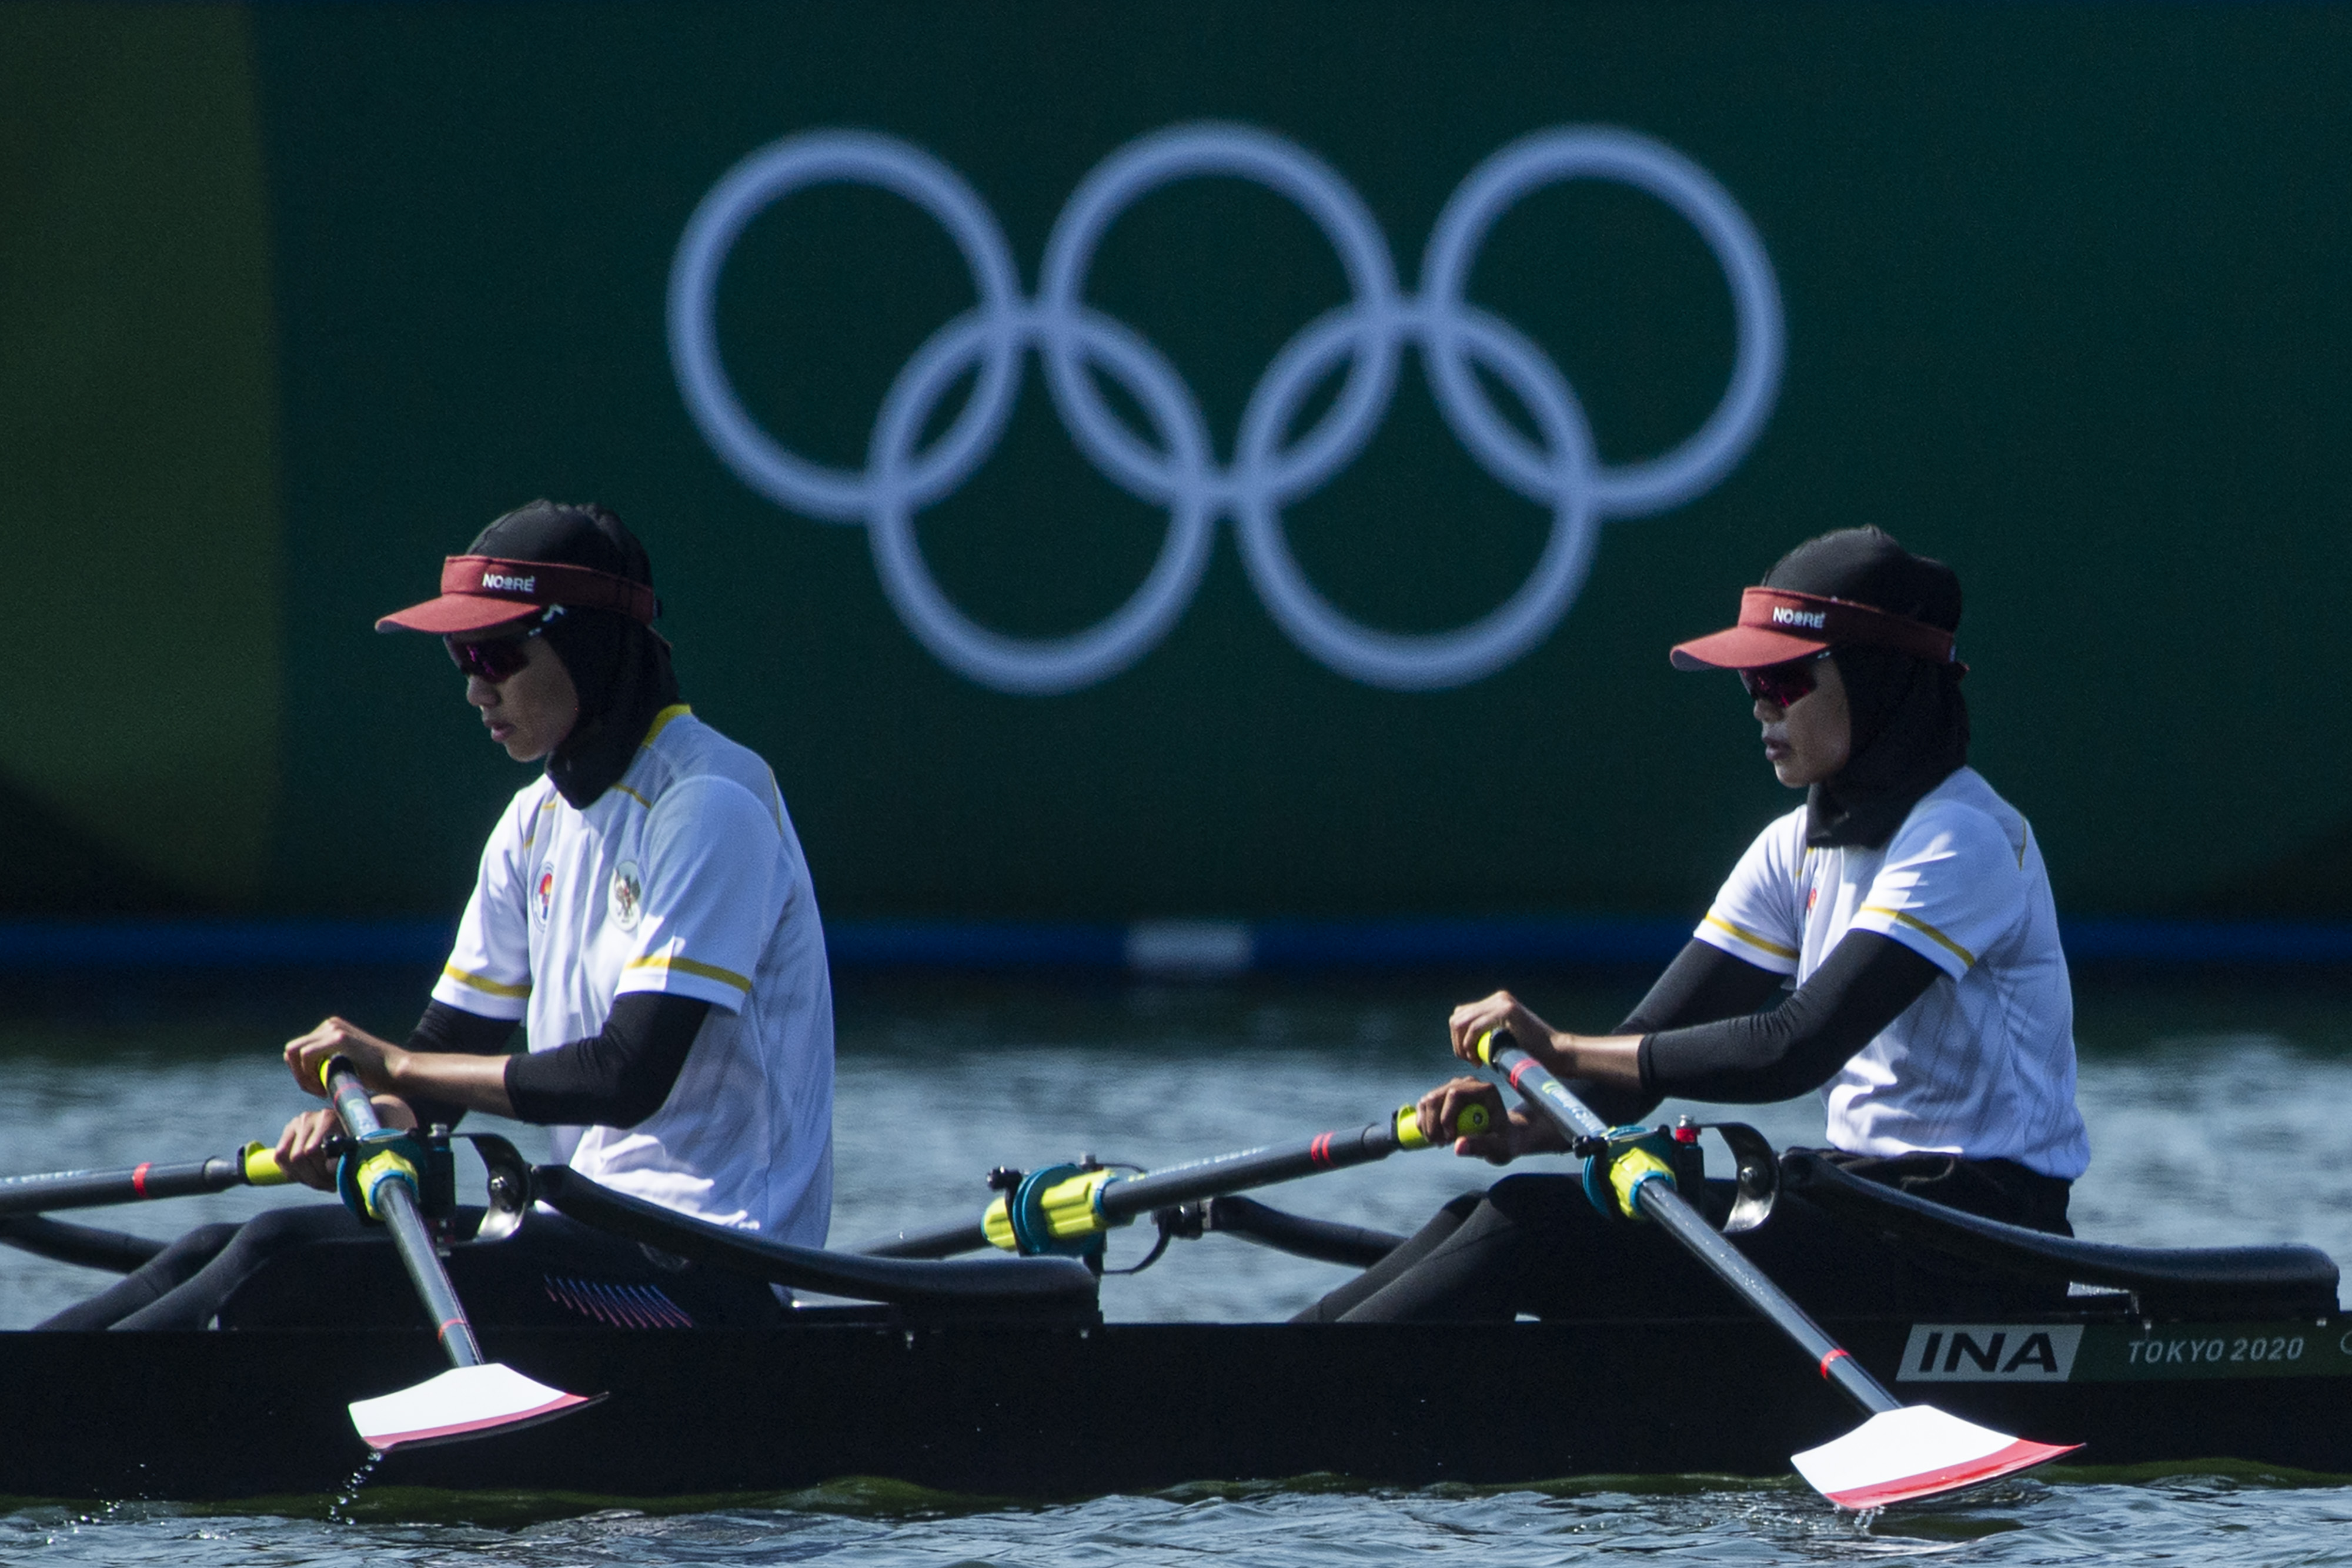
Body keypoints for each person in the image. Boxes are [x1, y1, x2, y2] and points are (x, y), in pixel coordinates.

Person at [41, 500, 834, 1332]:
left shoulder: (711, 804)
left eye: (497, 654)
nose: (473, 686)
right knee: (213, 1245)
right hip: (597, 1243)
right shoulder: (534, 826)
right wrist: (365, 1120)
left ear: (590, 645)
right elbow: (440, 1070)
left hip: (717, 1276)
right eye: (461, 655)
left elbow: (624, 1078)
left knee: (278, 1257)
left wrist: (397, 1070)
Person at [1300, 527, 2090, 1323]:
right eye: (1751, 683)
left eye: (1783, 682)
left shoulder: (1963, 840)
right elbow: (1659, 1035)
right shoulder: (1798, 846)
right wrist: (1523, 1123)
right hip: (1866, 1208)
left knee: (1530, 1231)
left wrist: (1563, 1046)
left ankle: (1286, 1421)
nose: (1759, 708)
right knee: (1481, 1211)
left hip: (1980, 1245)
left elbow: (1792, 1048)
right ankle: (1281, 1383)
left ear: (1877, 679)